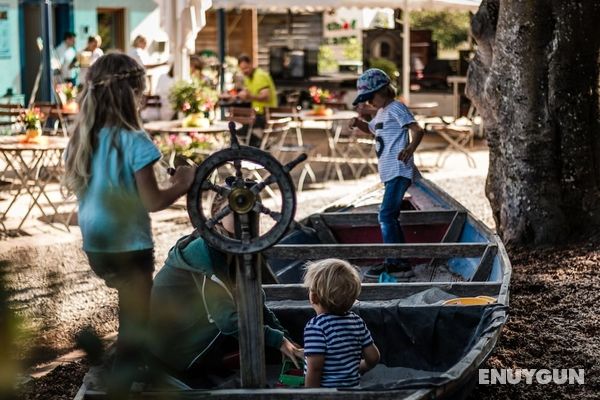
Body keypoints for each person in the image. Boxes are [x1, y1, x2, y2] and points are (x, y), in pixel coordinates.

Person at [63, 52, 196, 396]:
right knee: (136, 323)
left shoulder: (84, 138)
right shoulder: (135, 141)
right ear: (133, 93)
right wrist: (183, 183)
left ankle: (137, 369)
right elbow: (153, 202)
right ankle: (122, 382)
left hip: (96, 246)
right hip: (129, 246)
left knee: (132, 311)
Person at [148, 197, 302, 386]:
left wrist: (289, 341)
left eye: (251, 209)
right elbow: (227, 321)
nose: (244, 215)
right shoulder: (203, 252)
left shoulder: (238, 249)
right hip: (171, 353)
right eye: (235, 208)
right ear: (217, 216)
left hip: (197, 336)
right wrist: (277, 341)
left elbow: (257, 306)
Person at [349, 69, 425, 281]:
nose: (369, 103)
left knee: (385, 215)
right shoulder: (381, 113)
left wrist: (410, 149)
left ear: (382, 91)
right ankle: (398, 261)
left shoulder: (396, 108)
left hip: (400, 169)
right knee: (389, 215)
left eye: (370, 97)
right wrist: (358, 123)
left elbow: (418, 130)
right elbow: (373, 130)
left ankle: (396, 263)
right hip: (389, 171)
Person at [303, 258, 380, 388]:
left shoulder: (316, 327)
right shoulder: (356, 321)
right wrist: (356, 368)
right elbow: (373, 357)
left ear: (314, 297)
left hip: (328, 394)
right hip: (354, 391)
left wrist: (310, 395)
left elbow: (315, 370)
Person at [237, 53, 277, 130]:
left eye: (246, 68)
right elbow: (248, 93)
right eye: (242, 69)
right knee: (236, 123)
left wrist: (249, 96)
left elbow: (266, 97)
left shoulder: (260, 76)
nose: (244, 71)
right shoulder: (248, 77)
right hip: (257, 114)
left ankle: (252, 141)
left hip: (266, 115)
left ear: (251, 64)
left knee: (239, 128)